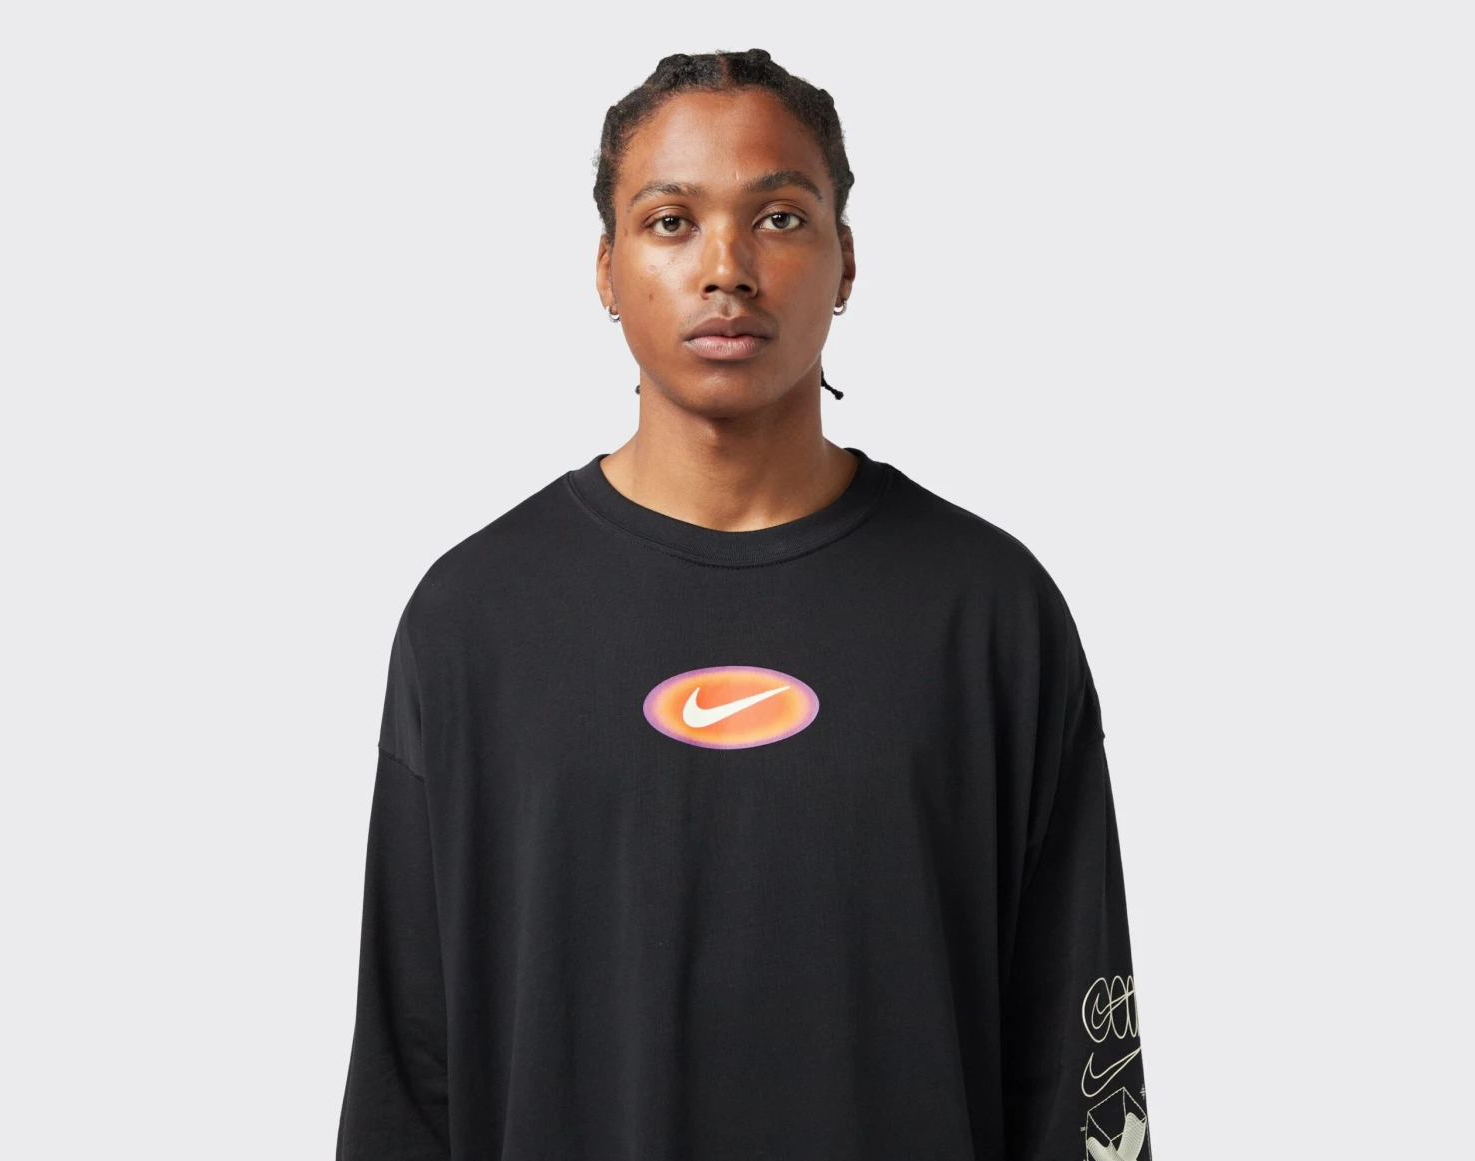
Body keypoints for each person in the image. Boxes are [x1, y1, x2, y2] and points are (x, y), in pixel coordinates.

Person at [336, 49, 1152, 1161]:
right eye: (671, 222)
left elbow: (1080, 1069)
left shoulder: (990, 616)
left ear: (846, 260)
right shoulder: (474, 620)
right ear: (606, 269)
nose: (726, 268)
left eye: (778, 217)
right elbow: (407, 1069)